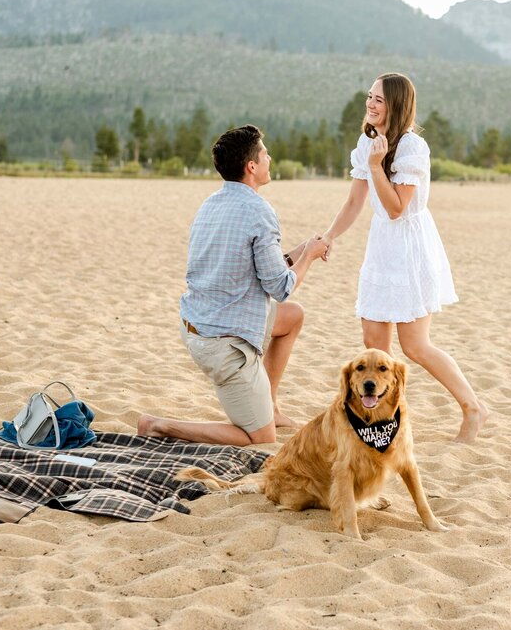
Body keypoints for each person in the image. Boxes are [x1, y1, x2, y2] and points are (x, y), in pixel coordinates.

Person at [322, 73, 488, 442]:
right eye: (369, 96)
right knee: (373, 345)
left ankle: (474, 409)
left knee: (414, 346)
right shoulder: (368, 145)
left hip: (410, 248)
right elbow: (354, 201)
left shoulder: (412, 148)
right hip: (381, 247)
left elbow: (397, 208)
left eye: (378, 99)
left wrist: (379, 166)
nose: (370, 104)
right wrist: (330, 236)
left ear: (396, 105)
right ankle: (383, 425)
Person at [139, 125, 328, 446]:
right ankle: (159, 425)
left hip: (200, 324)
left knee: (291, 317)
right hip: (224, 343)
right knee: (260, 439)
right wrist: (308, 257)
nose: (270, 157)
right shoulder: (259, 211)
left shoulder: (210, 204)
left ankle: (270, 405)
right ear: (251, 166)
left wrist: (302, 248)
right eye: (265, 153)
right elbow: (280, 287)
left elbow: (256, 265)